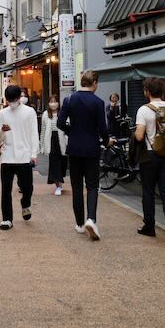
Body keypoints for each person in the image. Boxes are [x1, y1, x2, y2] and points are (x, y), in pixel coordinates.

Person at [58, 70, 112, 240]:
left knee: (76, 186)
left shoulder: (69, 100)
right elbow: (103, 129)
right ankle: (91, 219)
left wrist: (71, 132)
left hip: (74, 148)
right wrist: (106, 140)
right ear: (94, 82)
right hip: (92, 148)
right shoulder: (98, 102)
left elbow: (60, 122)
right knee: (92, 186)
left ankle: (80, 224)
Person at [134, 78, 165, 245]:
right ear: (162, 92)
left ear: (147, 91)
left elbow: (140, 136)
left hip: (149, 156)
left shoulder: (144, 110)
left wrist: (136, 134)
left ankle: (149, 226)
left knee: (148, 191)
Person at [0, 84, 39, 230]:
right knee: (5, 189)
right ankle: (7, 219)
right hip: (7, 156)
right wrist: (2, 130)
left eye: (13, 99)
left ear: (20, 97)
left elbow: (34, 134)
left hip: (25, 156)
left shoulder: (29, 112)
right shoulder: (2, 113)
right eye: (9, 100)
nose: (11, 102)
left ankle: (25, 203)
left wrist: (34, 154)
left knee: (27, 188)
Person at [40, 95, 68, 195]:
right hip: (51, 141)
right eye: (51, 101)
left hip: (62, 141)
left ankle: (59, 183)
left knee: (62, 163)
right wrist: (42, 145)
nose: (53, 103)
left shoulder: (63, 114)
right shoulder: (45, 114)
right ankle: (58, 186)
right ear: (48, 103)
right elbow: (43, 130)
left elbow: (68, 128)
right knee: (54, 163)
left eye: (55, 101)